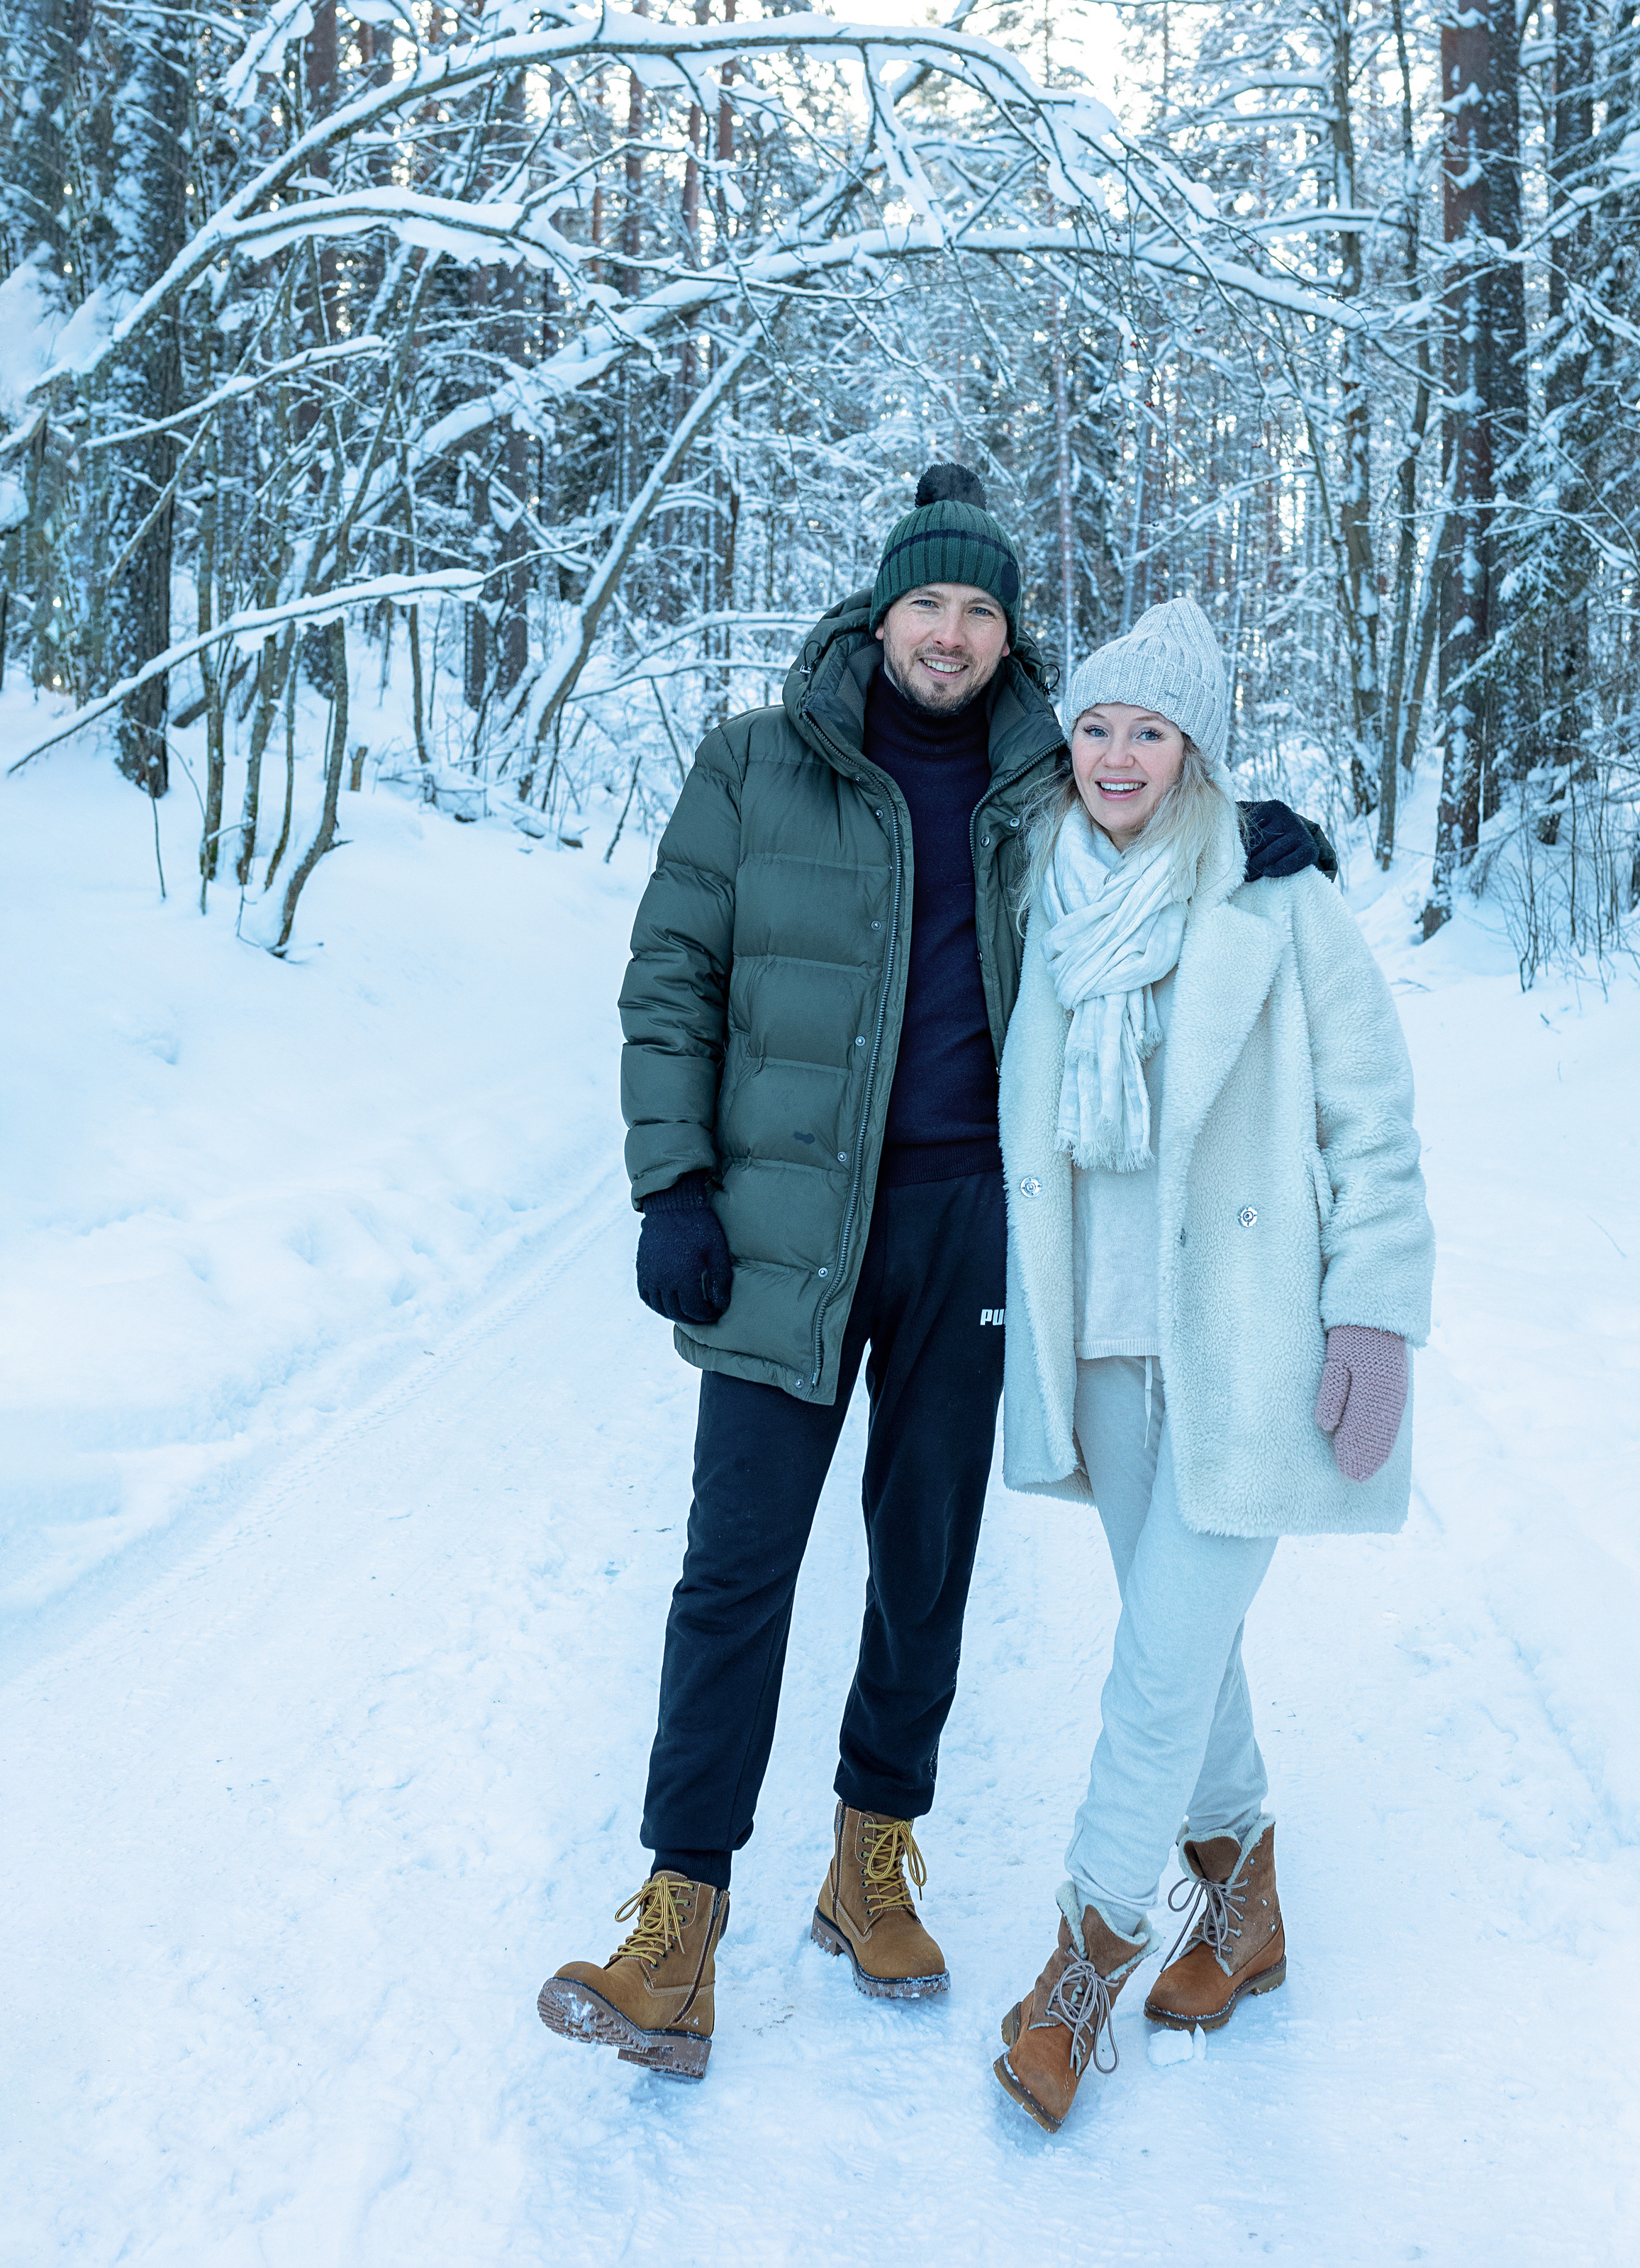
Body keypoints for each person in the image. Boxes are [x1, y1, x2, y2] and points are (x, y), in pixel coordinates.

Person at [537, 470, 1333, 2083]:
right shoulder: (754, 766)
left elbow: (1146, 831)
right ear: (879, 612)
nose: (951, 635)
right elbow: (669, 970)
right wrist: (671, 1180)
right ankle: (679, 1913)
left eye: (979, 611)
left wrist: (1247, 840)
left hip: (973, 1226)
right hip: (775, 1231)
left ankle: (869, 1854)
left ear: (1001, 632)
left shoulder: (1039, 785)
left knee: (923, 1555)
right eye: (928, 604)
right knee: (736, 1563)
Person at [990, 595, 1436, 2133]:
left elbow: (1369, 1120)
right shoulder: (1046, 900)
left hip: (1242, 1345)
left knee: (1154, 1665)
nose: (1116, 754)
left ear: (1196, 751)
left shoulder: (1273, 899)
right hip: (1102, 1343)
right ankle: (1243, 1893)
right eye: (1097, 726)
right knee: (1184, 1649)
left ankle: (1082, 1960)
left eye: (1150, 729)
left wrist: (1373, 1308)